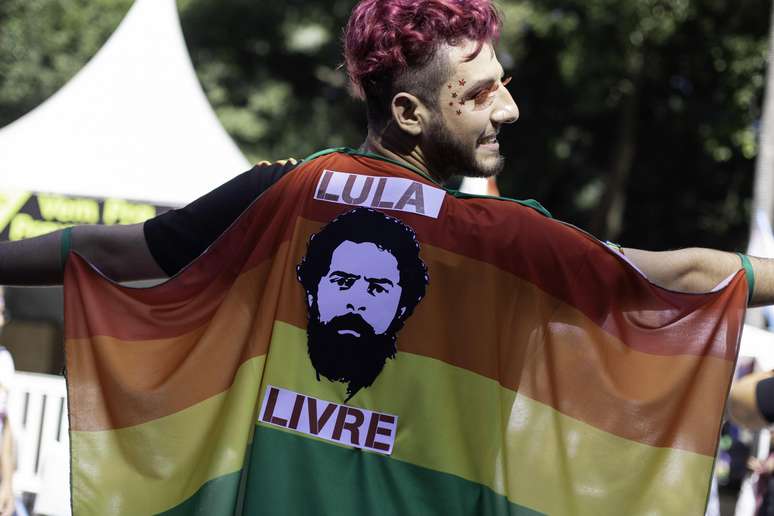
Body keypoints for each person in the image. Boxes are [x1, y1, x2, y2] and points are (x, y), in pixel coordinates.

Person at [0, 0, 768, 514]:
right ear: (408, 111)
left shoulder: (284, 194)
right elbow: (686, 276)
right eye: (480, 92)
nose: (510, 108)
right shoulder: (501, 238)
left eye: (505, 84)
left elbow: (116, 250)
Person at [296, 207, 429, 398]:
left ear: (402, 308)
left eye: (377, 288)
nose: (356, 303)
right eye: (342, 282)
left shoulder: (415, 394)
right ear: (312, 291)